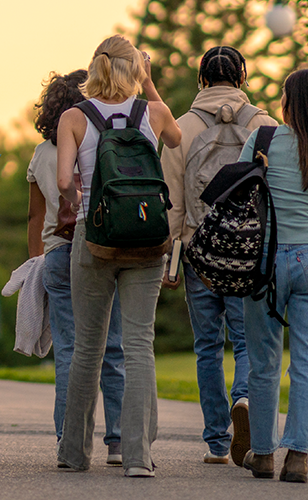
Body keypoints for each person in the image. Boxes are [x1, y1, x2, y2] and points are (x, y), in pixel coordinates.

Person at [53, 35, 183, 478]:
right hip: (147, 233)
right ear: (135, 68)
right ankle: (137, 457)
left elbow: (63, 183)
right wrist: (148, 82)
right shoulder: (155, 113)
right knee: (139, 345)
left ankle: (73, 452)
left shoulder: (74, 117)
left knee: (87, 347)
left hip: (96, 236)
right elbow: (178, 138)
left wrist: (82, 200)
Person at [159, 45, 276, 466]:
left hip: (197, 252)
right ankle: (243, 398)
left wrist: (171, 259)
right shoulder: (264, 126)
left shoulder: (181, 128)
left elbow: (170, 200)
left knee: (207, 346)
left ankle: (215, 442)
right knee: (246, 342)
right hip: (249, 253)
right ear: (242, 78)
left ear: (202, 80)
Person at [237, 68, 308, 484]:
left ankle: (263, 454)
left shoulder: (262, 140)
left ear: (290, 101)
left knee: (263, 362)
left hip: (264, 262)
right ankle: (298, 456)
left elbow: (240, 199)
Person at [25, 70, 129, 467]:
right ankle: (117, 440)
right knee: (113, 346)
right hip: (102, 248)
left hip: (56, 255)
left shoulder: (41, 153)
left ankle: (67, 439)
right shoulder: (101, 141)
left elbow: (35, 218)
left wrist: (36, 260)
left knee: (69, 351)